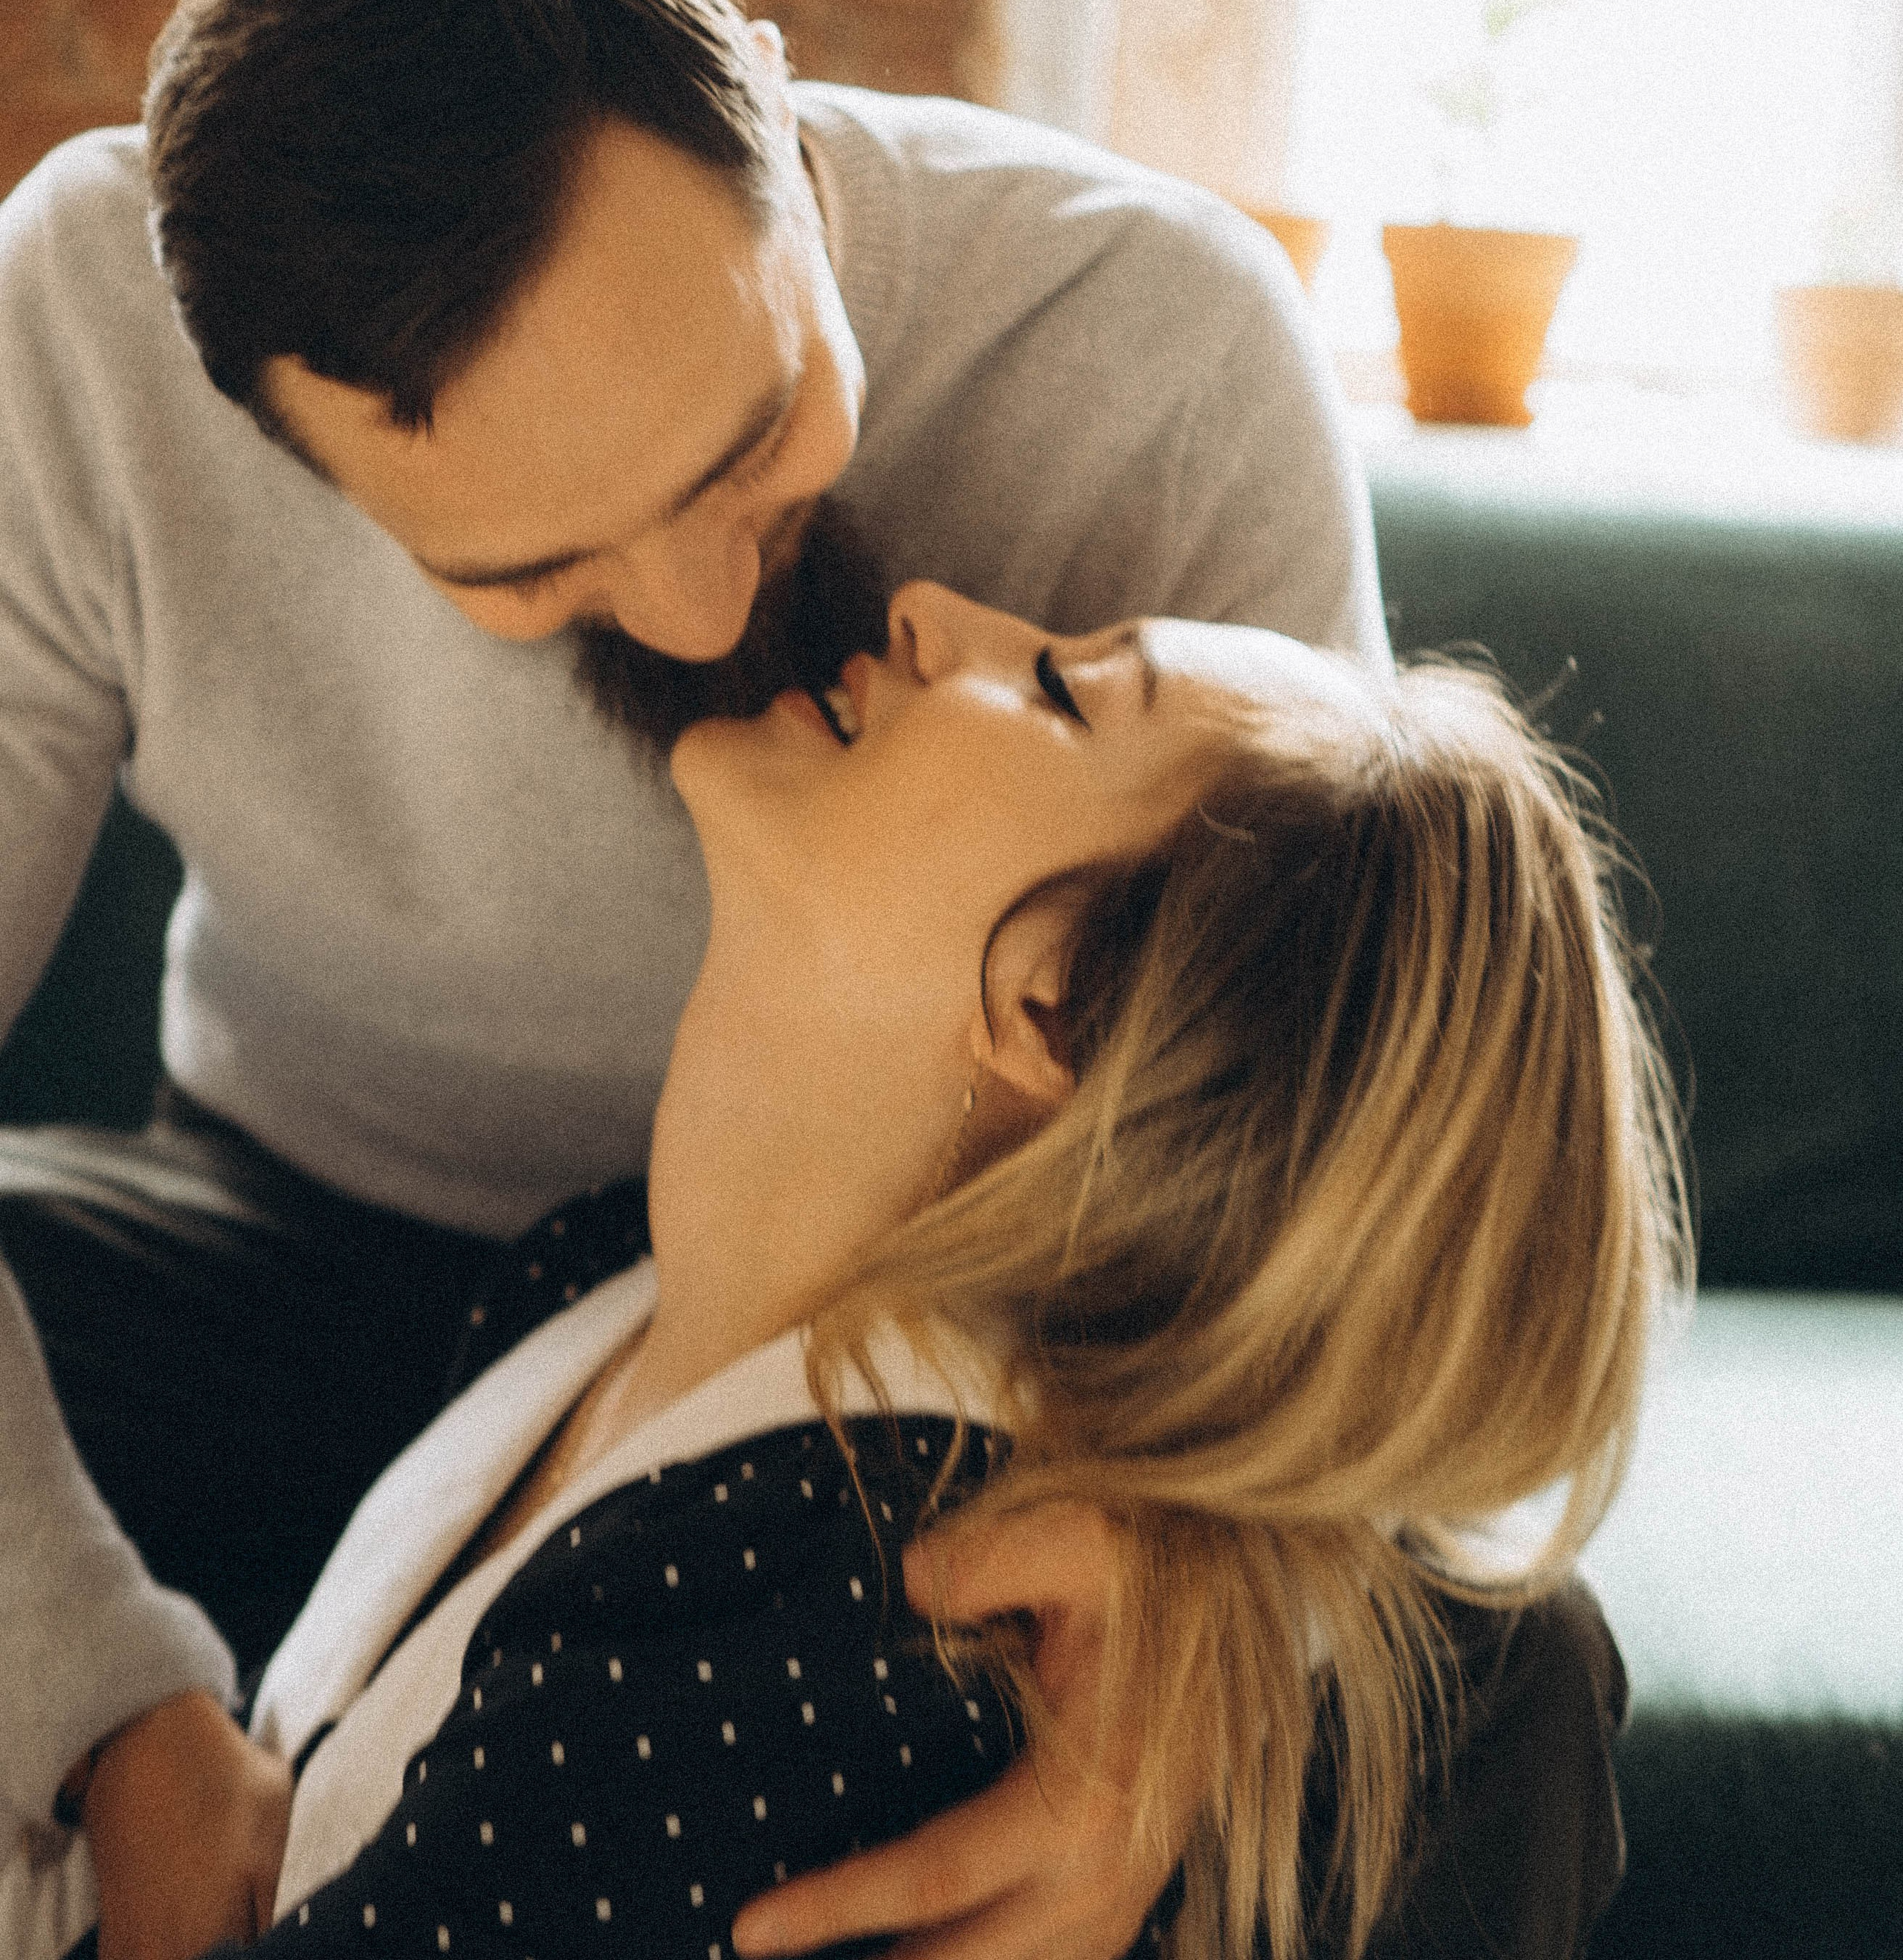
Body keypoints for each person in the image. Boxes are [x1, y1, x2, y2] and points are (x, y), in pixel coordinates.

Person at [0, 0, 1596, 1960]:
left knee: (1508, 1676)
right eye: (519, 572)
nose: (693, 607)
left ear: (771, 98)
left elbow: (1378, 1123)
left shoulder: (1169, 346)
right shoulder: (93, 328)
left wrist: (1205, 1627)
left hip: (941, 1359)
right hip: (293, 1252)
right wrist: (108, 1699)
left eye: (755, 433)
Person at [3, 578, 1687, 1960]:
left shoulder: (810, 1612)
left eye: (1059, 689)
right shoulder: (591, 1282)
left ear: (1052, 1003)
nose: (933, 605)